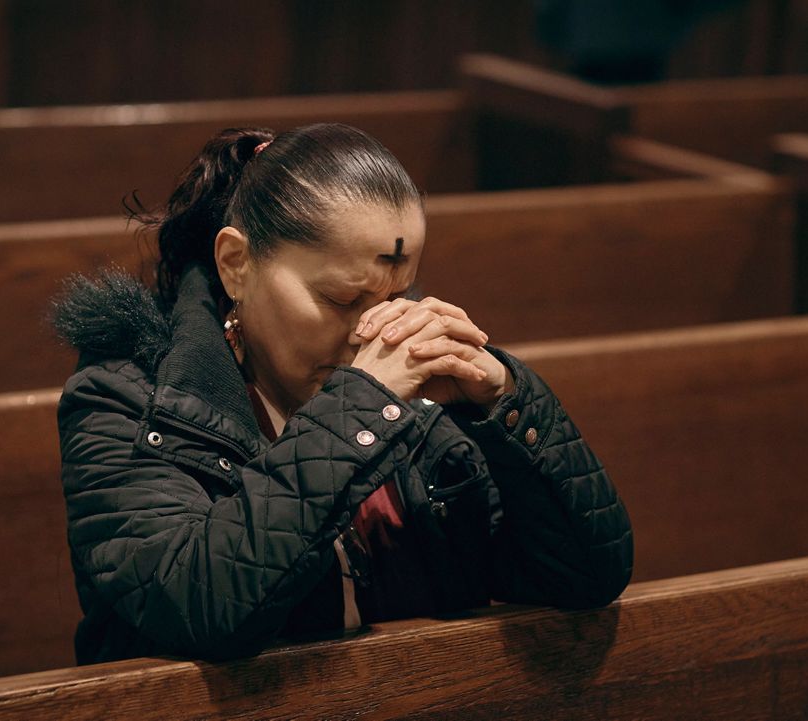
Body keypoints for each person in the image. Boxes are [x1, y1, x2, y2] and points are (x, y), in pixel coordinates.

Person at [52, 123, 633, 664]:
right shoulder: (127, 400)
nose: (370, 331)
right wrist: (363, 405)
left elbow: (585, 577)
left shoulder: (421, 397)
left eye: (394, 297)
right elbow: (202, 609)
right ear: (236, 264)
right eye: (338, 300)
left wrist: (504, 402)